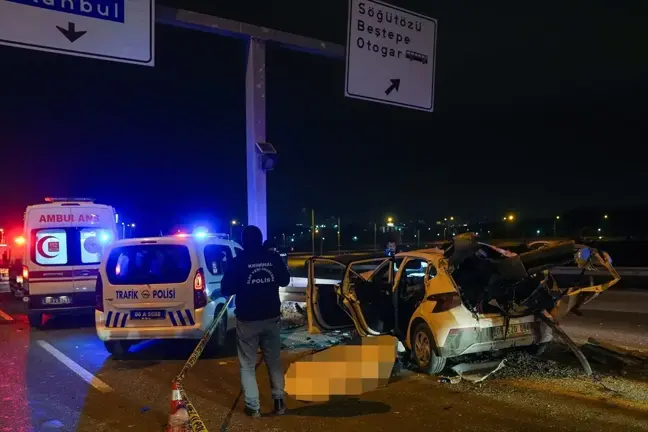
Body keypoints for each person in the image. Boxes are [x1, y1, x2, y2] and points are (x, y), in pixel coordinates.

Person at [221, 225, 291, 418]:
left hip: (247, 320)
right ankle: (279, 403)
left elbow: (226, 289)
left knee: (247, 365)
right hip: (271, 317)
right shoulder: (272, 258)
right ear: (261, 240)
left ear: (243, 241)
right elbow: (285, 281)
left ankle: (253, 407)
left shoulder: (238, 261)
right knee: (274, 361)